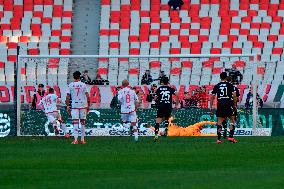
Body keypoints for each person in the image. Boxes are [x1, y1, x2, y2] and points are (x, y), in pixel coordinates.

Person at [210, 72, 237, 144]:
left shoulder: (217, 85)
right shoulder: (230, 85)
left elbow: (212, 97)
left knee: (219, 121)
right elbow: (234, 95)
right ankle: (231, 136)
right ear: (226, 77)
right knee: (232, 119)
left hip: (220, 104)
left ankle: (219, 139)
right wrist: (234, 105)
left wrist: (211, 107)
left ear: (220, 77)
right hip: (228, 103)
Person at [66, 71, 91, 144]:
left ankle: (76, 140)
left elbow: (68, 96)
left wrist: (67, 105)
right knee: (83, 122)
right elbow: (87, 95)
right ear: (80, 77)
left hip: (74, 106)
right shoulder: (83, 85)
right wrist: (88, 105)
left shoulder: (70, 85)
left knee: (75, 122)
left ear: (73, 77)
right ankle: (82, 140)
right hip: (83, 105)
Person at [154, 77, 179, 142]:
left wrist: (157, 99)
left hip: (161, 105)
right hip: (168, 105)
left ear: (162, 82)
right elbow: (177, 95)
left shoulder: (159, 89)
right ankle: (165, 130)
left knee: (158, 121)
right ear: (168, 82)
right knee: (166, 118)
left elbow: (155, 98)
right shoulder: (171, 89)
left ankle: (156, 136)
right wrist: (176, 104)